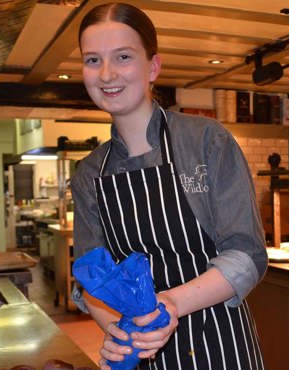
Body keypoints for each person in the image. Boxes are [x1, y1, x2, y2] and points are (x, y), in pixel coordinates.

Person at [70, 3, 268, 369]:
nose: (107, 73)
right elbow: (90, 275)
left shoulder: (207, 142)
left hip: (220, 345)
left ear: (153, 67)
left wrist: (172, 303)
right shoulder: (88, 173)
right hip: (144, 349)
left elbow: (246, 255)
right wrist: (117, 333)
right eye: (93, 60)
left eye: (123, 56)